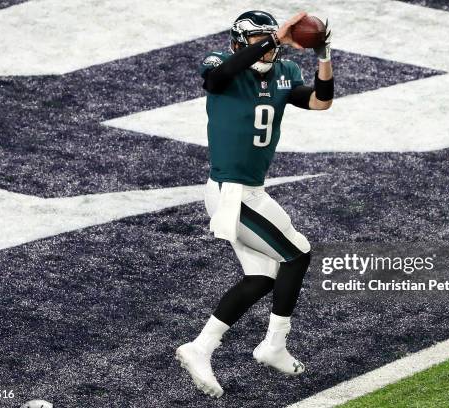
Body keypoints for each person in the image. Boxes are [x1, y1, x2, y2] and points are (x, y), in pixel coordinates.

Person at [176, 10, 333, 398]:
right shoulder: (220, 65)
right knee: (297, 255)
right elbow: (217, 77)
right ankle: (274, 344)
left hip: (252, 191)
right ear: (238, 41)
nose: (268, 45)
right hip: (231, 192)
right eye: (258, 39)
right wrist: (273, 39)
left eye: (272, 38)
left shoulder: (285, 73)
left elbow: (320, 102)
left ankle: (201, 348)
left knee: (263, 277)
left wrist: (324, 57)